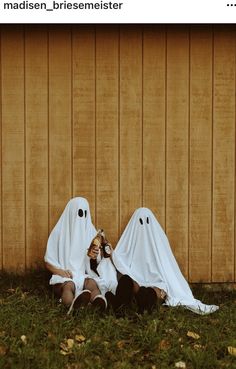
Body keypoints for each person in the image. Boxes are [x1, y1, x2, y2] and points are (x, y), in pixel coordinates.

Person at [111, 207, 219, 315]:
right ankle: (122, 308)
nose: (144, 227)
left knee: (152, 291)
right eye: (140, 222)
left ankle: (145, 306)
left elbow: (168, 266)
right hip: (137, 282)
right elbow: (121, 257)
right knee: (126, 280)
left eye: (147, 221)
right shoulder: (132, 241)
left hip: (157, 284)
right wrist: (111, 253)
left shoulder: (158, 243)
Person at [44, 197, 117, 313]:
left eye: (85, 213)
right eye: (79, 213)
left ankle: (98, 302)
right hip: (65, 275)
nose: (81, 217)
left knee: (92, 284)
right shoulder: (58, 233)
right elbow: (48, 262)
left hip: (82, 275)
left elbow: (96, 260)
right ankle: (70, 305)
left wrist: (95, 256)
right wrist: (60, 272)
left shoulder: (91, 232)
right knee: (68, 286)